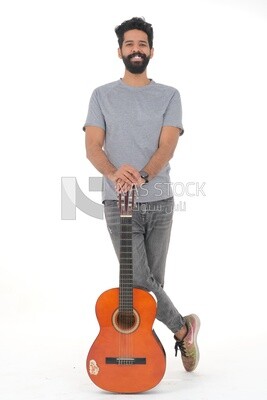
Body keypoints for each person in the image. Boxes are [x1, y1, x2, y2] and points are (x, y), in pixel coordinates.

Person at [83, 17, 200, 372]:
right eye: (130, 44)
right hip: (117, 201)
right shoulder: (101, 95)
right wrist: (115, 173)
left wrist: (144, 175)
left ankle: (143, 353)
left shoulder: (169, 95)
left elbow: (168, 145)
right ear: (119, 51)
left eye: (142, 44)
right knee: (138, 279)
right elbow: (92, 146)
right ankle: (183, 329)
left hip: (160, 200)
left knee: (151, 286)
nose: (136, 49)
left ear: (151, 51)